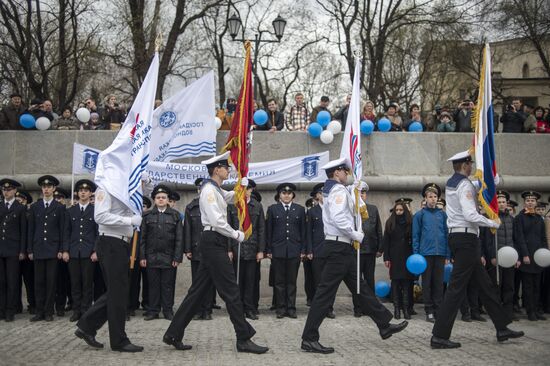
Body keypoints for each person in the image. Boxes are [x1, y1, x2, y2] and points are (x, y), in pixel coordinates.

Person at [164, 152, 268, 354]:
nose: (228, 170)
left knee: (196, 293)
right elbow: (217, 221)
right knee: (231, 290)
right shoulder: (209, 191)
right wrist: (236, 234)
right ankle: (243, 338)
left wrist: (241, 188)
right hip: (214, 241)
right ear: (217, 170)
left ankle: (173, 333)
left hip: (213, 242)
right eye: (226, 167)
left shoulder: (215, 189)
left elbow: (228, 197)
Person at [301, 157, 408, 354]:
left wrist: (354, 191)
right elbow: (338, 217)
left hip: (341, 247)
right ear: (336, 173)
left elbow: (341, 209)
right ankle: (309, 338)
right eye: (344, 171)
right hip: (339, 246)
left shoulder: (334, 189)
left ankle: (384, 324)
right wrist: (354, 233)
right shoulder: (337, 190)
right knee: (325, 294)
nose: (347, 174)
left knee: (361, 288)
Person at [431, 150, 523, 349]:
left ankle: (502, 327)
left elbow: (477, 186)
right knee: (456, 288)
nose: (473, 167)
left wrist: (490, 179)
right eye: (471, 164)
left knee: (486, 285)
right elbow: (470, 214)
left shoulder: (453, 182)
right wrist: (492, 222)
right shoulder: (462, 184)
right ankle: (439, 335)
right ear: (465, 165)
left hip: (462, 238)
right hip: (465, 239)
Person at [75, 177, 147, 352]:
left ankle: (87, 326)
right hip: (110, 243)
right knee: (117, 293)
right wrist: (128, 221)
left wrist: (145, 180)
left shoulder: (124, 189)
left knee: (118, 292)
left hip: (121, 244)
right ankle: (118, 340)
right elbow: (99, 215)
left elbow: (144, 193)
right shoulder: (105, 188)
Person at [139, 185, 184, 321]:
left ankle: (168, 310)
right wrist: (142, 256)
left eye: (163, 197)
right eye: (158, 197)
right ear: (154, 199)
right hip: (151, 256)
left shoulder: (175, 215)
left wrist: (177, 257)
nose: (160, 199)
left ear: (167, 199)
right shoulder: (147, 216)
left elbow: (179, 238)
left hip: (169, 257)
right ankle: (153, 310)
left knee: (168, 285)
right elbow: (142, 238)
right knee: (153, 285)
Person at [266, 183, 307, 319]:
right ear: (279, 195)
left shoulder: (300, 210)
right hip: (278, 251)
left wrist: (303, 250)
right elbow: (269, 231)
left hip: (294, 251)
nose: (287, 195)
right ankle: (281, 308)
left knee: (291, 282)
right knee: (279, 282)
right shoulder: (273, 209)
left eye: (289, 193)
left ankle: (291, 308)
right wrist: (269, 249)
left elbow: (303, 232)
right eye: (284, 193)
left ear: (293, 195)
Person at [28, 175, 65, 322]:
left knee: (51, 282)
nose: (46, 189)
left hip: (53, 249)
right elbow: (31, 230)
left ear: (54, 189)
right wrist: (30, 250)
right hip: (38, 249)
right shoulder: (35, 207)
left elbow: (62, 230)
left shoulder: (60, 207)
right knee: (38, 282)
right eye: (44, 187)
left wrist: (61, 249)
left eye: (49, 187)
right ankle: (39, 311)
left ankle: (49, 311)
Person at [228, 179, 265, 319]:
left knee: (250, 281)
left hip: (252, 248)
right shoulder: (232, 206)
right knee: (237, 281)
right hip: (236, 248)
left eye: (247, 189)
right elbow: (228, 228)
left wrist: (261, 250)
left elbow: (261, 229)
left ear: (251, 190)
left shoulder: (257, 206)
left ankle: (249, 308)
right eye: (242, 189)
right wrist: (229, 249)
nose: (245, 191)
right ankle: (238, 309)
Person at [412, 183, 449, 323]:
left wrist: (448, 254)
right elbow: (416, 236)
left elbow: (446, 235)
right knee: (427, 283)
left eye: (435, 196)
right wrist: (417, 255)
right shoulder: (419, 216)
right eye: (430, 197)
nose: (433, 199)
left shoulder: (443, 215)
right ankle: (429, 310)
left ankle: (438, 309)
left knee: (438, 283)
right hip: (425, 254)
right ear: (425, 199)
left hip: (440, 254)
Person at [63, 179, 98, 322]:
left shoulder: (95, 211)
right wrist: (65, 250)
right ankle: (76, 310)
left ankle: (86, 310)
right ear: (77, 193)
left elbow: (98, 233)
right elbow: (66, 232)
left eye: (86, 190)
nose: (83, 193)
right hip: (73, 252)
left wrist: (96, 251)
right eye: (81, 191)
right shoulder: (70, 211)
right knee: (75, 283)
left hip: (88, 253)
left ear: (91, 193)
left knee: (87, 283)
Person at [183, 178, 214, 320]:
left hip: (210, 248)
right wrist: (187, 249)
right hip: (196, 250)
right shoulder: (191, 207)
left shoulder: (214, 204)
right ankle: (197, 310)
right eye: (200, 188)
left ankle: (207, 309)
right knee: (197, 282)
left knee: (208, 281)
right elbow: (187, 229)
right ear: (198, 190)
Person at [514, 191, 547, 321]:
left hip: (538, 257)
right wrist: (525, 255)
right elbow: (520, 238)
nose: (530, 202)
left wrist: (544, 253)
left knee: (537, 285)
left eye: (533, 200)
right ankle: (530, 311)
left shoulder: (539, 218)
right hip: (526, 257)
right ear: (524, 202)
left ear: (536, 202)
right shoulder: (519, 218)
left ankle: (537, 309)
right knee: (527, 286)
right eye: (528, 200)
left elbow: (543, 238)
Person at [485, 190, 518, 321]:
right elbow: (488, 241)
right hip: (497, 258)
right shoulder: (491, 219)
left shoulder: (512, 219)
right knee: (496, 285)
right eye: (499, 202)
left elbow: (516, 239)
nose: (502, 204)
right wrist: (492, 256)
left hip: (510, 257)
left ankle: (508, 312)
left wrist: (517, 257)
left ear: (507, 203)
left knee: (509, 286)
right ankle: (497, 312)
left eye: (503, 202)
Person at [353, 181, 383, 317]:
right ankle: (358, 307)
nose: (362, 195)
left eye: (363, 193)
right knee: (357, 280)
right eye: (359, 193)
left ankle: (370, 307)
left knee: (369, 280)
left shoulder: (373, 209)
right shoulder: (351, 208)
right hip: (356, 251)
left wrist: (380, 248)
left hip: (370, 250)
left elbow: (378, 230)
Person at [306, 183, 335, 318]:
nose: (325, 195)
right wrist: (309, 250)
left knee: (331, 282)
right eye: (322, 193)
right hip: (317, 251)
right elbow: (308, 233)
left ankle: (329, 308)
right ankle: (319, 309)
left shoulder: (335, 209)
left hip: (332, 250)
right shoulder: (312, 211)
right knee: (318, 282)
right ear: (317, 196)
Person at [0, 179, 27, 322]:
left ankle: (10, 310)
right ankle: (2, 309)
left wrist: (22, 250)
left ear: (15, 191)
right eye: (4, 190)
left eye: (9, 189)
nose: (6, 192)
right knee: (1, 281)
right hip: (1, 248)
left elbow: (23, 231)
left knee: (12, 281)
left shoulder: (20, 208)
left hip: (13, 250)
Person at [383, 200, 414, 320]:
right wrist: (386, 258)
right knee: (395, 283)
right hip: (394, 257)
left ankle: (405, 309)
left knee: (406, 283)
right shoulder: (390, 222)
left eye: (401, 210)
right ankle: (396, 309)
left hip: (407, 256)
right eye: (397, 210)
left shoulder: (410, 222)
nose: (399, 212)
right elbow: (386, 241)